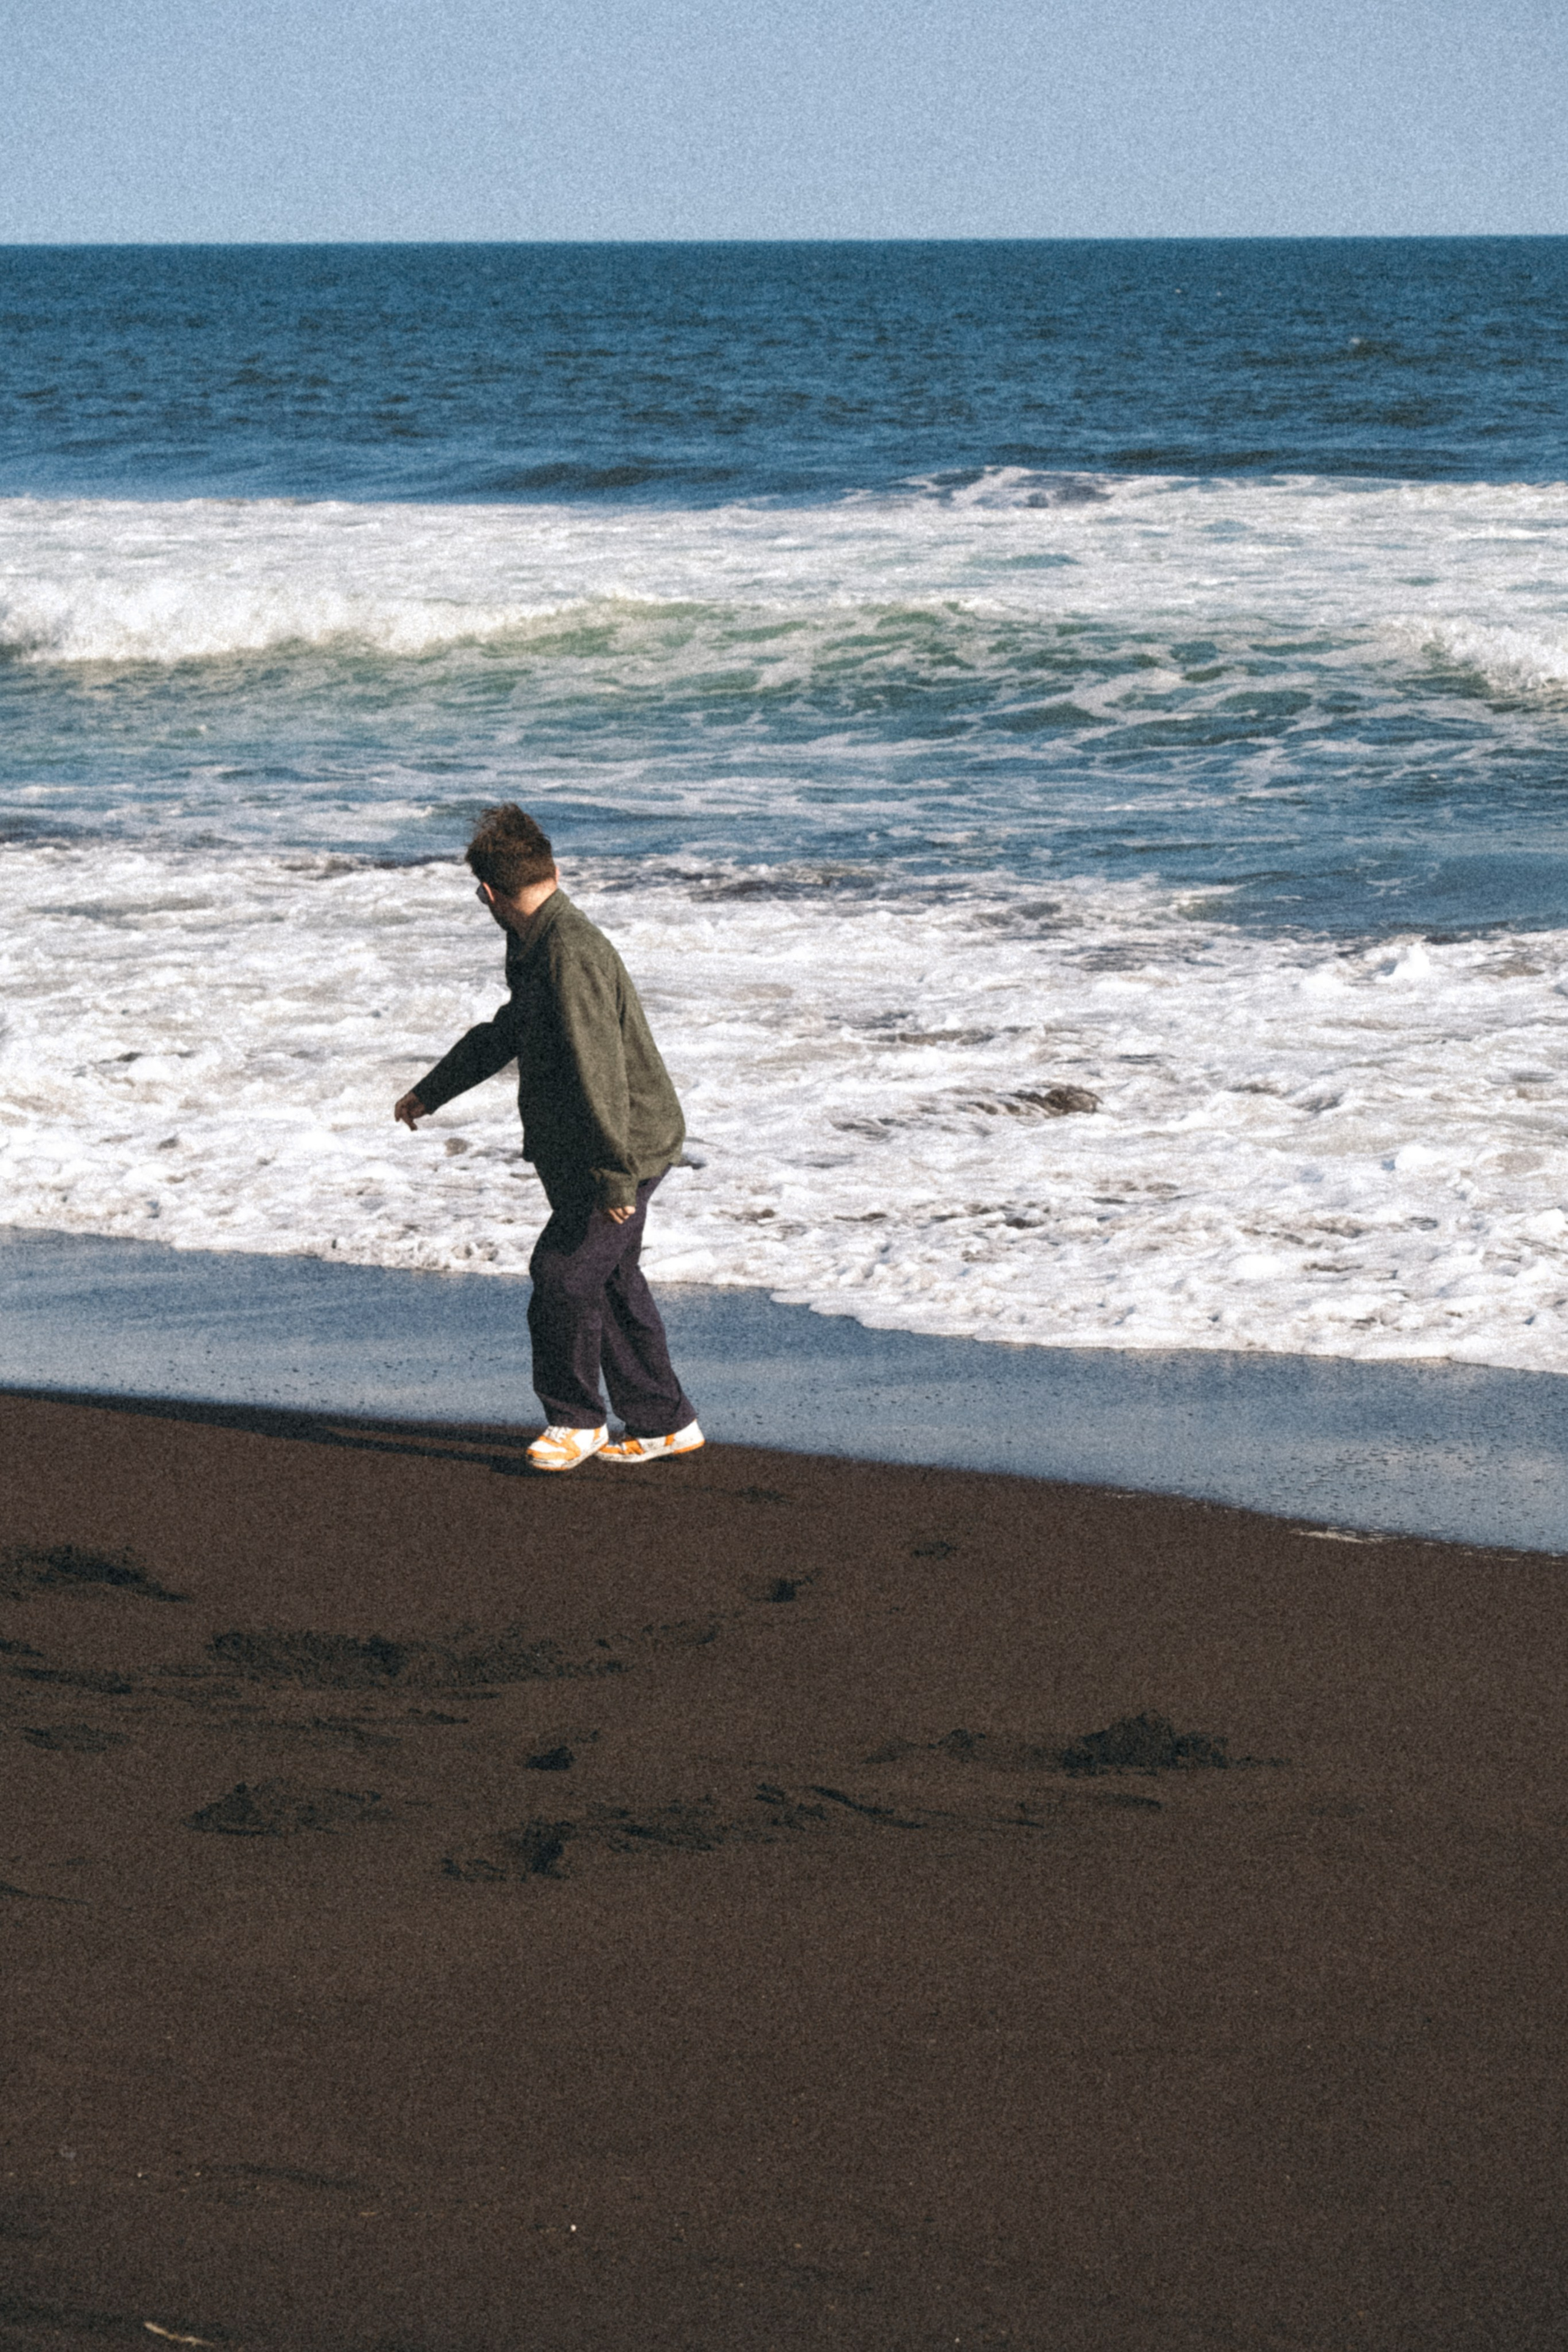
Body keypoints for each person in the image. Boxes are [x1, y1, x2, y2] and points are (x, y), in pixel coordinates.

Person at [394, 805, 701, 1473]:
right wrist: (433, 1090)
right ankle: (663, 1421)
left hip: (620, 1146)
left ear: (487, 892)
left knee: (562, 1276)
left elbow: (599, 1071)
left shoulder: (568, 953)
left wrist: (615, 1179)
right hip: (596, 1143)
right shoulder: (534, 939)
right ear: (552, 872)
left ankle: (576, 1421)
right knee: (609, 1278)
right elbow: (509, 1029)